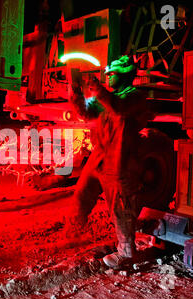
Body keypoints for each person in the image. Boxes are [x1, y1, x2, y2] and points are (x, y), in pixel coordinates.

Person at [67, 55, 155, 269]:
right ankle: (72, 237)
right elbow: (87, 114)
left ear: (126, 75)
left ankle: (126, 253)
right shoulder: (108, 97)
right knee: (82, 194)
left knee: (120, 208)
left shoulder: (135, 97)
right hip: (100, 157)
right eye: (107, 75)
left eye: (112, 74)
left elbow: (119, 108)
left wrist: (99, 90)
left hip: (122, 161)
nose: (108, 78)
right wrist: (75, 91)